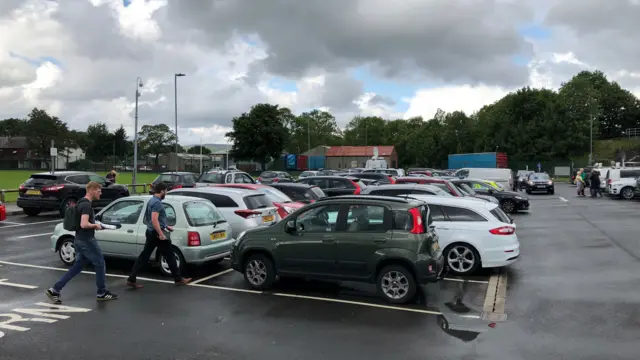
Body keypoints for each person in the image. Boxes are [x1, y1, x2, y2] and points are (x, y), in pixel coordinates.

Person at [46, 181, 118, 303]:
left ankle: (55, 290)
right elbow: (84, 224)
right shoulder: (86, 205)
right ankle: (102, 292)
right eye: (99, 191)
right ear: (91, 190)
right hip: (87, 240)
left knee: (77, 267)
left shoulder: (81, 202)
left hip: (79, 239)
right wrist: (96, 225)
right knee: (100, 264)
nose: (100, 193)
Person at [126, 182, 191, 288]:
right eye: (165, 191)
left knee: (144, 256)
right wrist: (161, 233)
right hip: (157, 233)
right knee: (170, 255)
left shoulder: (151, 200)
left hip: (151, 232)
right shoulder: (157, 203)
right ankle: (178, 279)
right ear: (161, 191)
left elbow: (152, 219)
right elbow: (154, 219)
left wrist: (165, 225)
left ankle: (131, 279)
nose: (166, 193)